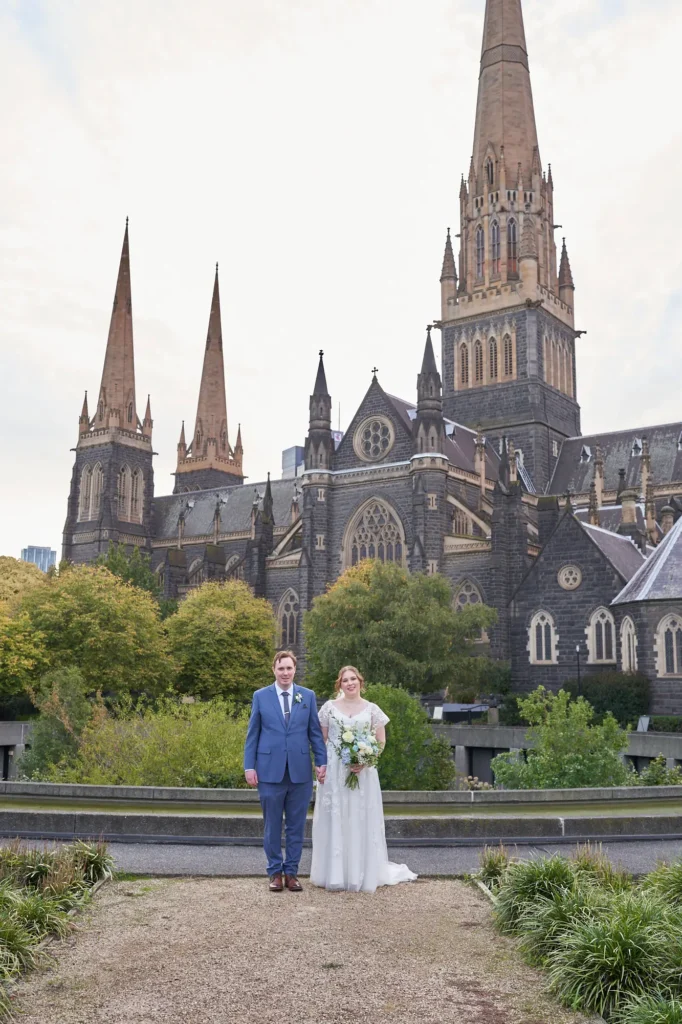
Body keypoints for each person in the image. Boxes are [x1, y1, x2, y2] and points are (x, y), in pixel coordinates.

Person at [310, 665, 417, 893]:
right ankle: (335, 873)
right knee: (335, 817)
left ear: (360, 681)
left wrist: (365, 760)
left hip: (362, 773)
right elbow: (322, 740)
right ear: (339, 684)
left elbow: (380, 742)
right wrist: (319, 766)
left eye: (353, 679)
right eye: (345, 680)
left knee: (359, 817)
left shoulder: (372, 709)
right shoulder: (329, 708)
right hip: (335, 770)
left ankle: (361, 872)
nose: (350, 683)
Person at [243, 650, 327, 892]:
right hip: (269, 771)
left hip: (300, 772)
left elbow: (314, 733)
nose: (285, 673)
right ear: (274, 670)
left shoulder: (307, 696)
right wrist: (249, 766)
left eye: (289, 668)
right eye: (281, 668)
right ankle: (274, 873)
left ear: (295, 669)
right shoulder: (261, 696)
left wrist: (321, 762)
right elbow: (253, 734)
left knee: (296, 825)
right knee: (271, 825)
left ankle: (292, 872)